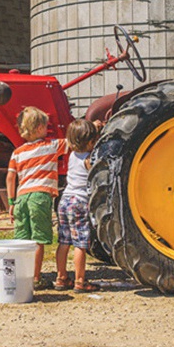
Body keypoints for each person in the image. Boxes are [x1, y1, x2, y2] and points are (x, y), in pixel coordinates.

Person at [6, 106, 67, 290]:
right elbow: (74, 140)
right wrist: (93, 126)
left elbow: (10, 177)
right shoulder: (51, 146)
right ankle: (35, 278)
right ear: (40, 128)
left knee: (22, 240)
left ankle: (21, 277)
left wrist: (11, 202)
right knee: (38, 240)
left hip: (21, 198)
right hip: (40, 195)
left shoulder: (17, 153)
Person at [54, 119, 100, 293]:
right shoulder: (88, 159)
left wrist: (92, 128)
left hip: (64, 201)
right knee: (80, 243)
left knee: (64, 241)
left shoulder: (72, 154)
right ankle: (80, 280)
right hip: (79, 202)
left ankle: (61, 277)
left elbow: (80, 139)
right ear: (90, 142)